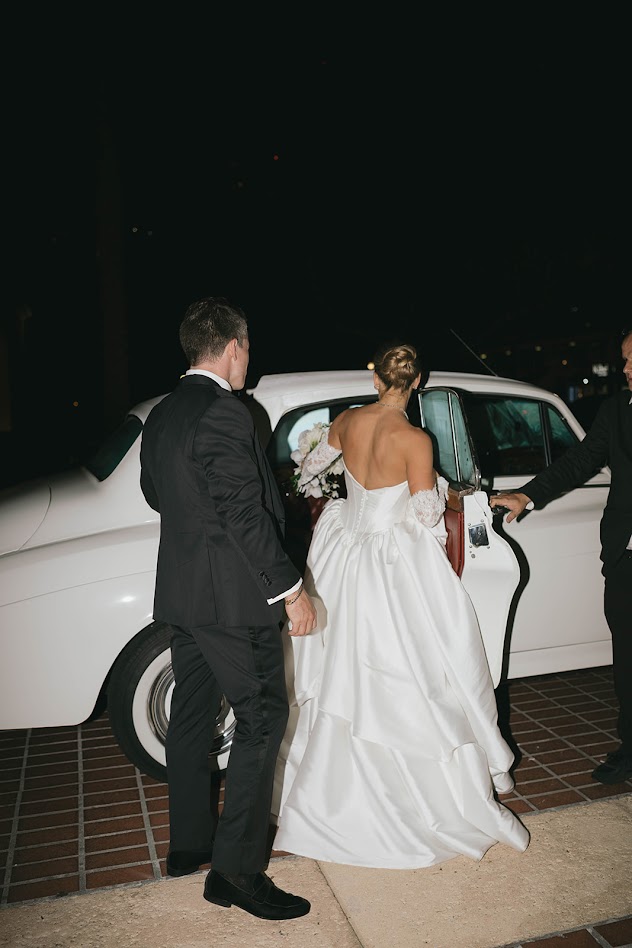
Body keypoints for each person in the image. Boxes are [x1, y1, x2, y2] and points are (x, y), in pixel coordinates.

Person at [271, 343, 530, 868]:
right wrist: (445, 490)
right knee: (415, 664)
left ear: (376, 381)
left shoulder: (345, 422)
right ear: (418, 383)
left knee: (339, 663)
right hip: (391, 561)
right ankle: (413, 793)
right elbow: (428, 518)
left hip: (344, 552)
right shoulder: (416, 439)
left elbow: (308, 472)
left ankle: (326, 791)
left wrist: (341, 492)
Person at [140, 296, 316, 921]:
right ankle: (236, 873)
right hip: (233, 599)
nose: (249, 360)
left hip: (184, 595)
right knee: (263, 715)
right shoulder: (225, 412)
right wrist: (290, 590)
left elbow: (156, 494)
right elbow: (243, 512)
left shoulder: (161, 414)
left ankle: (189, 846)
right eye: (248, 349)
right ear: (232, 346)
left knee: (190, 715)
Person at [491, 328, 632, 787]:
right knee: (626, 657)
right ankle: (631, 746)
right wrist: (527, 496)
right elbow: (579, 461)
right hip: (626, 553)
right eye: (624, 359)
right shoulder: (615, 411)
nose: (624, 368)